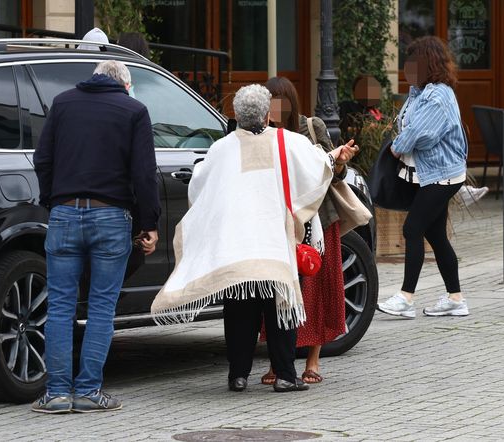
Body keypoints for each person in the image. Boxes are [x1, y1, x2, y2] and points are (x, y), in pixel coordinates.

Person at [151, 84, 357, 393]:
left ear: (237, 115)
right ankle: (286, 376)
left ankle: (238, 375)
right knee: (280, 309)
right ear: (265, 114)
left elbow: (198, 187)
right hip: (275, 244)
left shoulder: (221, 148)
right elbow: (316, 166)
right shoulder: (288, 142)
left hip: (238, 246)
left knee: (239, 313)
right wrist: (335, 156)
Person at [32, 60, 160, 413]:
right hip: (111, 216)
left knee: (59, 306)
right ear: (124, 84)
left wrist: (53, 201)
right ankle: (88, 391)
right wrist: (147, 223)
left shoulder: (62, 103)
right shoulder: (134, 110)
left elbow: (42, 159)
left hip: (64, 212)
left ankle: (57, 393)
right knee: (102, 307)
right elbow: (144, 173)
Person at [259, 76, 356, 385]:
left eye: (278, 101)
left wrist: (339, 163)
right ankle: (279, 363)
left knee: (315, 292)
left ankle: (313, 361)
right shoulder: (260, 134)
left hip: (316, 224)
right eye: (268, 101)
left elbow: (335, 176)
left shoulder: (311, 128)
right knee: (275, 294)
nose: (273, 108)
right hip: (277, 224)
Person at [376, 36, 468, 318]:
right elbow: (408, 126)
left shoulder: (437, 95)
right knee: (436, 234)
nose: (407, 70)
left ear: (428, 64)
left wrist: (396, 148)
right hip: (432, 175)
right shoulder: (421, 92)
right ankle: (456, 299)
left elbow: (422, 135)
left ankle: (406, 298)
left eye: (413, 63)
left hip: (443, 175)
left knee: (412, 229)